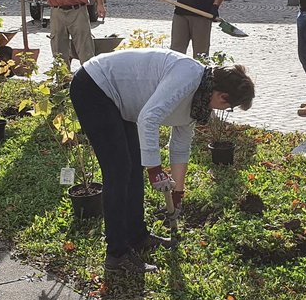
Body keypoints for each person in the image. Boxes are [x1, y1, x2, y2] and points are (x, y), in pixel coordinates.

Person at [70, 48, 255, 272]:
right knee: (119, 171)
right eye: (229, 107)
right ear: (222, 96)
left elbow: (180, 146)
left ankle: (137, 236)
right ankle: (116, 255)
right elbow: (149, 118)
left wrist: (178, 193)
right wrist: (155, 169)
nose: (224, 110)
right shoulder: (187, 76)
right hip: (95, 87)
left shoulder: (199, 101)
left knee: (133, 167)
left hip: (122, 102)